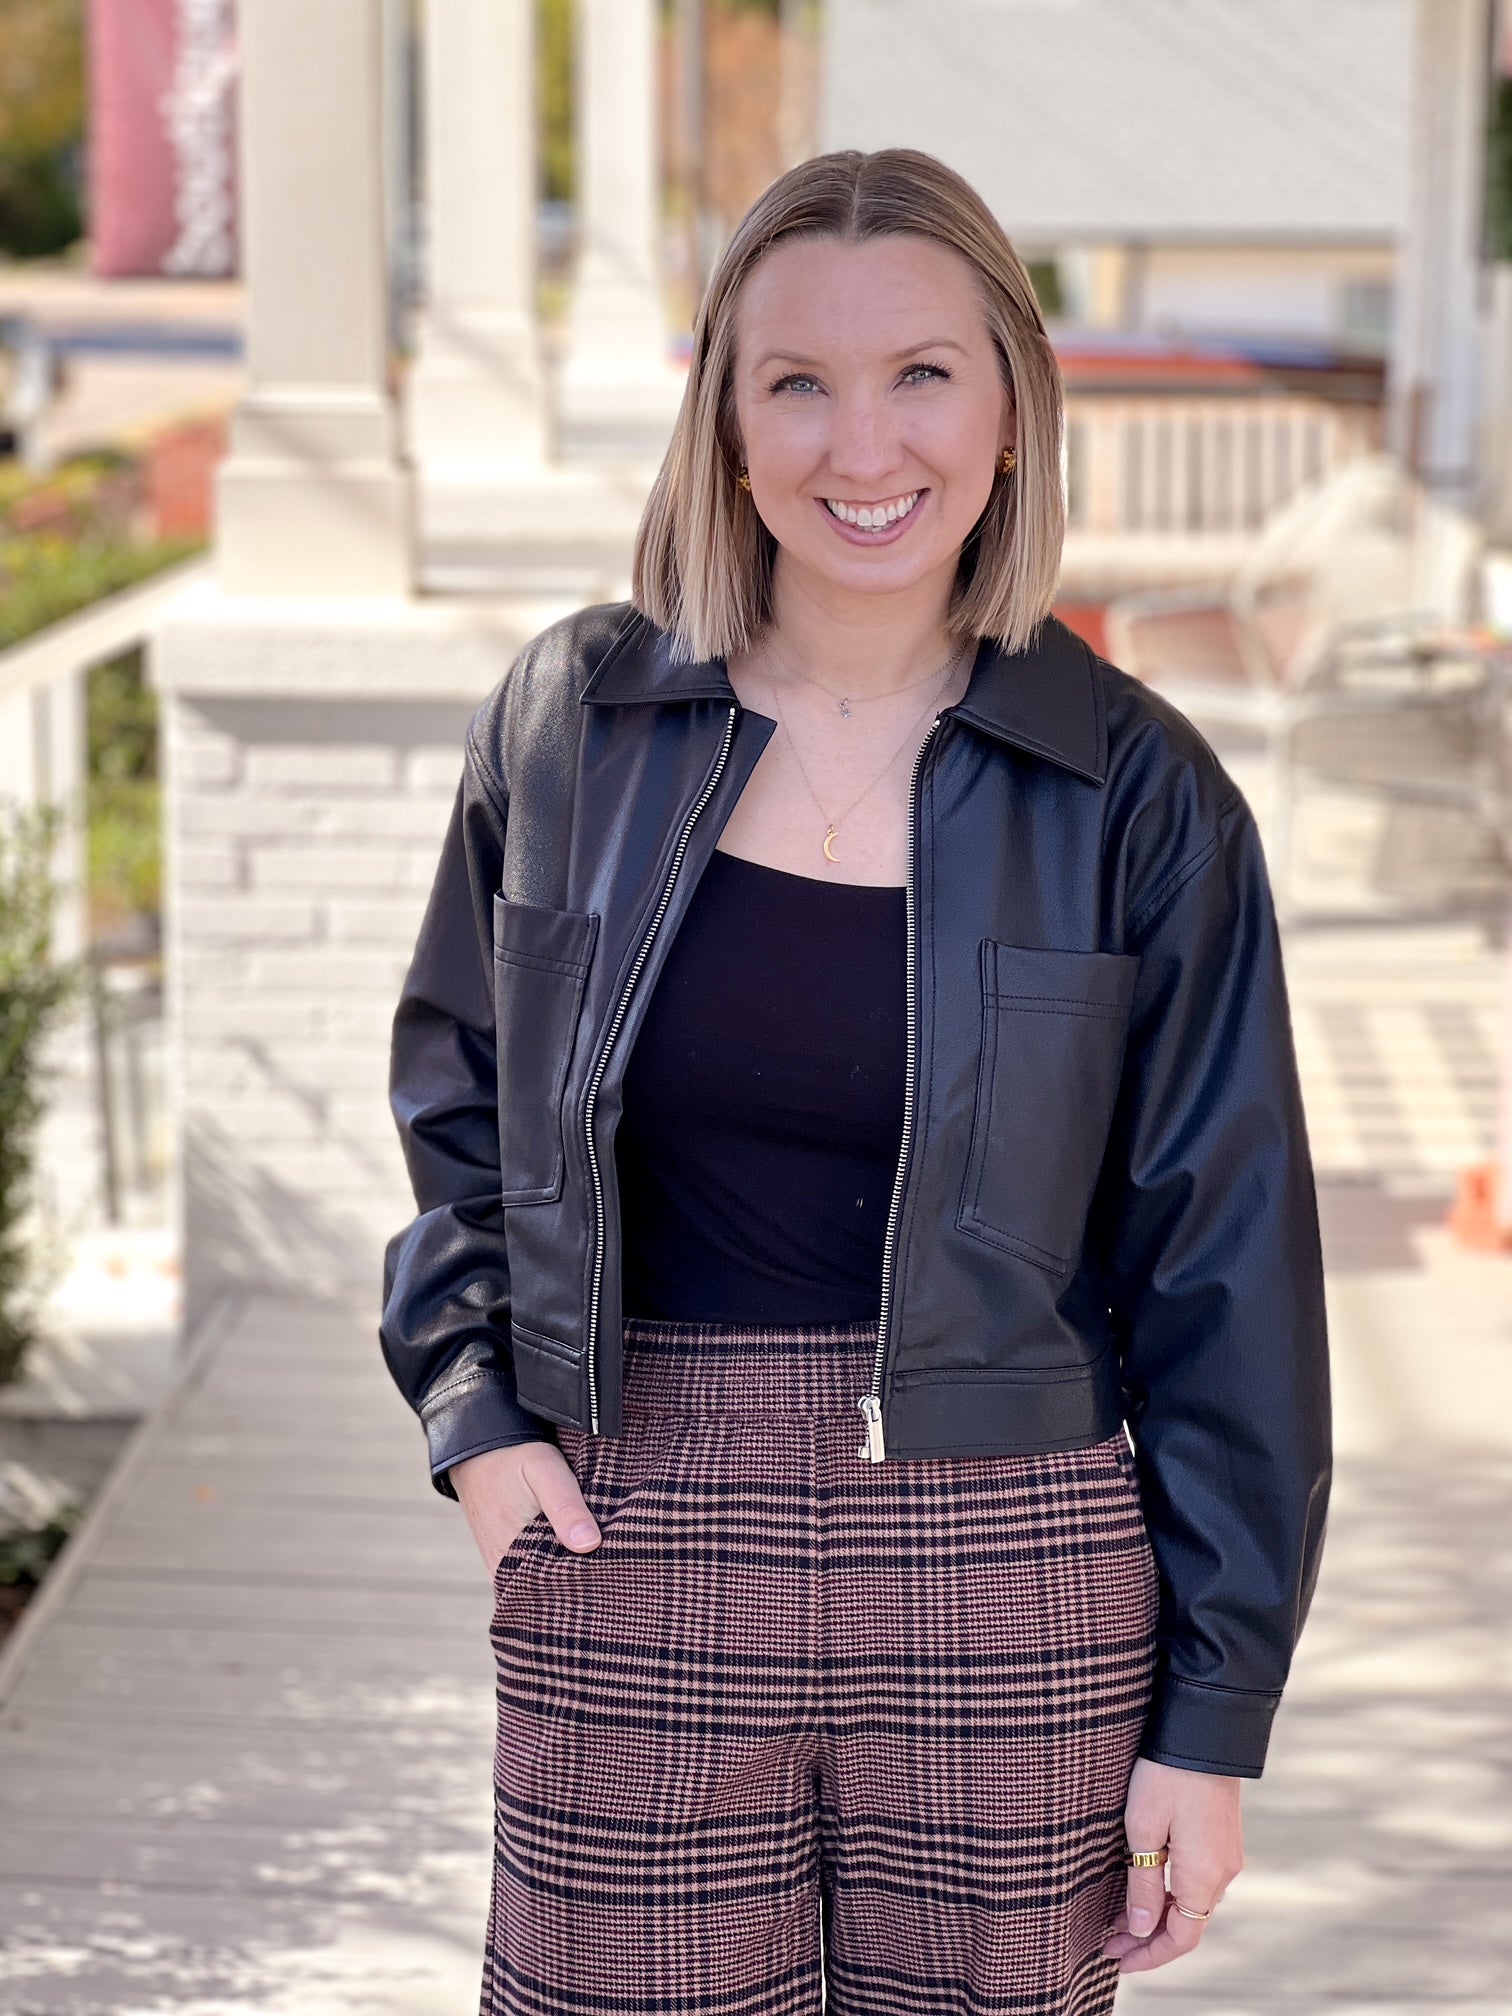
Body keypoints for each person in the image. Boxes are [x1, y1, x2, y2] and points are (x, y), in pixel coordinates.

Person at [379, 146, 1331, 2015]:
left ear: (1007, 407)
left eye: (922, 373)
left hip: (1016, 1553)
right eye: (796, 381)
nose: (860, 444)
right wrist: (480, 1414)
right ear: (725, 422)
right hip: (630, 1511)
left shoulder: (1138, 792)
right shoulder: (574, 726)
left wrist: (1214, 1717)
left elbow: (1230, 1266)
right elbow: (463, 1105)